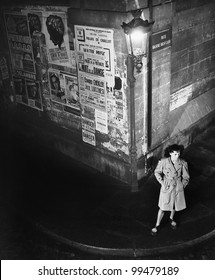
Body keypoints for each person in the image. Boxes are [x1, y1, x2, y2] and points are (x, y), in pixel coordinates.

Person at [151, 144, 190, 236]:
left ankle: (171, 218)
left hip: (177, 186)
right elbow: (157, 172)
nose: (177, 156)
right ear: (170, 153)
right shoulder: (163, 161)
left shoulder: (183, 163)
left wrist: (181, 186)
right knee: (162, 207)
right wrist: (162, 183)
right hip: (167, 185)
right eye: (175, 154)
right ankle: (157, 225)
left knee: (174, 205)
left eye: (178, 154)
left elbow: (186, 177)